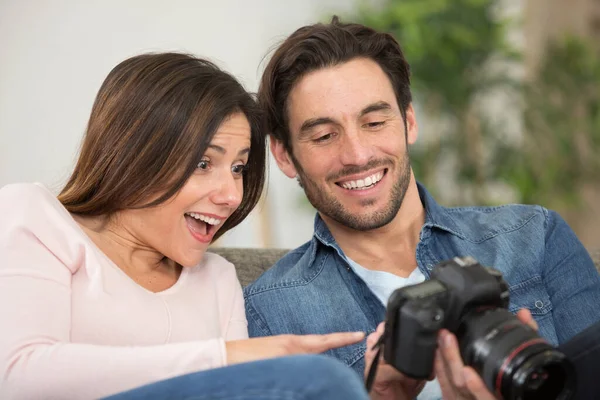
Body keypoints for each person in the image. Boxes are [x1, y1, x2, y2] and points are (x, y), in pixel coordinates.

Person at [243, 16, 600, 400]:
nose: (357, 155)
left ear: (409, 121)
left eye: (375, 122)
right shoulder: (269, 312)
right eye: (325, 135)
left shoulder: (534, 236)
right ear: (284, 155)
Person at [0, 52, 370, 400]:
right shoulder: (36, 217)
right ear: (134, 155)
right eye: (204, 163)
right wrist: (223, 357)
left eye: (238, 169)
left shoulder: (216, 280)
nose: (231, 196)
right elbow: (17, 376)